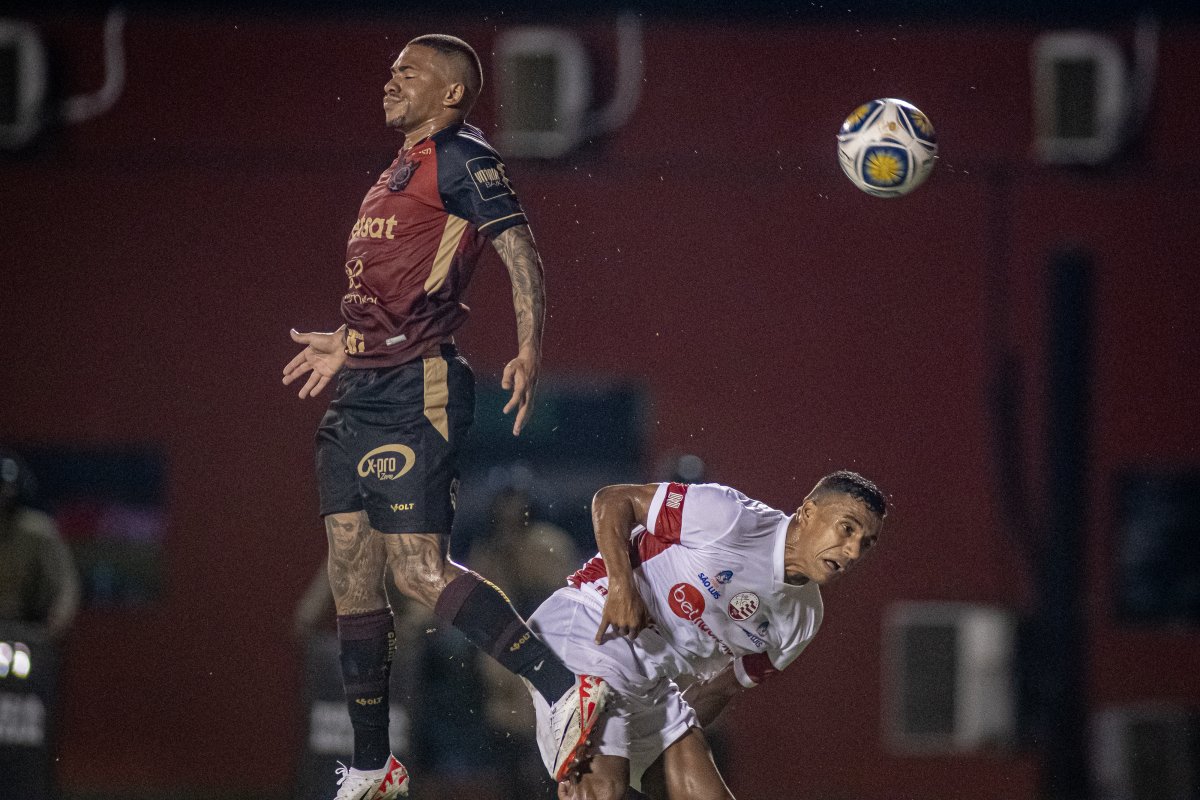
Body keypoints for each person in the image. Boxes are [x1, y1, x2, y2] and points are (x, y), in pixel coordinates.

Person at [281, 34, 608, 800]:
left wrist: (528, 346)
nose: (390, 79)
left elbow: (520, 250)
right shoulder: (393, 171)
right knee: (351, 572)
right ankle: (374, 766)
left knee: (418, 569)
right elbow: (393, 293)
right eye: (391, 68)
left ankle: (563, 687)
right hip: (357, 389)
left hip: (415, 386)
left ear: (452, 93)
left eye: (409, 71)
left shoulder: (464, 157)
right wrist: (346, 341)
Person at [523, 470, 887, 799]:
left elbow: (720, 688)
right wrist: (622, 586)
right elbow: (613, 500)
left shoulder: (803, 620)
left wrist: (675, 743)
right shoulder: (731, 517)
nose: (853, 551)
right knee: (604, 788)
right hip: (591, 624)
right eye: (847, 528)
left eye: (867, 543)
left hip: (649, 681)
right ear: (807, 512)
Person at [0, 448, 80, 640]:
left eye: (6, 488)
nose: (4, 495)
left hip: (26, 632)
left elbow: (65, 586)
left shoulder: (37, 531)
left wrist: (52, 625)